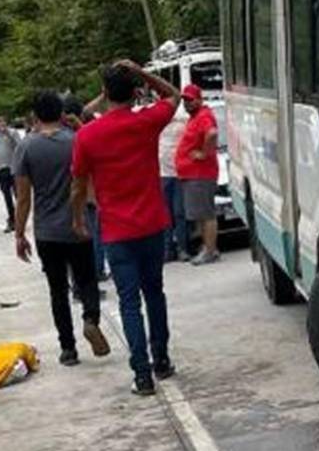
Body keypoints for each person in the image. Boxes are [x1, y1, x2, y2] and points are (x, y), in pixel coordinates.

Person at [71, 58, 181, 396]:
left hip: (117, 231)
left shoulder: (88, 135)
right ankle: (161, 359)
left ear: (104, 93)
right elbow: (174, 95)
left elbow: (77, 185)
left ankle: (142, 375)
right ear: (136, 93)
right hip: (152, 223)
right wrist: (141, 71)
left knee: (129, 303)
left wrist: (77, 218)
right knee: (155, 293)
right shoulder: (147, 122)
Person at [13, 89, 111, 367]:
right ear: (61, 113)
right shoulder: (76, 140)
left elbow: (23, 198)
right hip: (78, 224)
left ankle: (68, 349)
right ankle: (90, 319)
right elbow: (92, 180)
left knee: (57, 290)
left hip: (47, 232)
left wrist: (20, 234)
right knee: (87, 280)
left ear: (35, 115)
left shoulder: (26, 148)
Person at [174, 83, 221, 264]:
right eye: (185, 100)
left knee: (206, 214)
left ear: (200, 100)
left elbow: (212, 133)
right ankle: (209, 247)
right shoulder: (195, 117)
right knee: (200, 215)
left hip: (200, 174)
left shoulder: (204, 116)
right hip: (192, 175)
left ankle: (209, 251)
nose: (187, 103)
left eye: (190, 100)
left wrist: (204, 153)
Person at [158, 113, 189, 263]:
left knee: (179, 213)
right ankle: (166, 250)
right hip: (162, 174)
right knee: (165, 215)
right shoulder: (157, 119)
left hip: (179, 173)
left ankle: (182, 249)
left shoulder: (181, 117)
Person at [0, 116, 21, 230]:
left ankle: (19, 218)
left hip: (14, 167)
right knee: (6, 195)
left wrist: (7, 134)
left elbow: (19, 146)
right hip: (2, 168)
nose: (1, 124)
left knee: (18, 195)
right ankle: (11, 219)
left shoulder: (13, 133)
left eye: (3, 122)